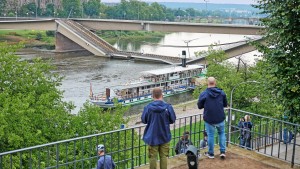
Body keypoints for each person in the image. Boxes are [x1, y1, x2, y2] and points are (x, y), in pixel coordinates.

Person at [141, 88, 176, 169]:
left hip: (152, 136)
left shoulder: (148, 107)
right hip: (164, 135)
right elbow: (172, 119)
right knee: (163, 157)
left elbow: (143, 120)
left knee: (152, 157)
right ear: (162, 95)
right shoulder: (168, 107)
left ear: (152, 96)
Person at [197, 77, 228, 159]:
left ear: (208, 83)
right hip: (220, 117)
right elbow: (225, 104)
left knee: (211, 135)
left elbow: (199, 106)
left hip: (209, 118)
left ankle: (211, 154)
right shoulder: (222, 93)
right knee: (221, 133)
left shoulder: (204, 94)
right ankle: (222, 152)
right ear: (215, 83)